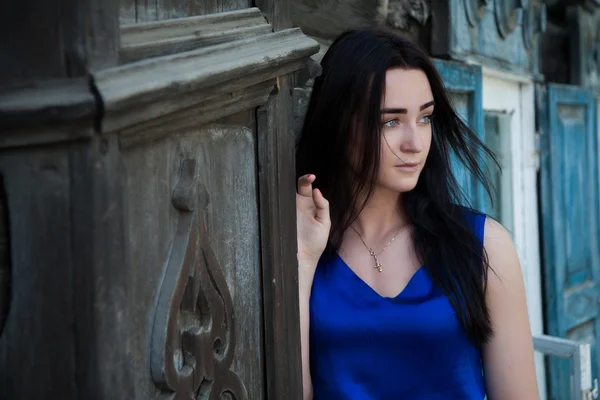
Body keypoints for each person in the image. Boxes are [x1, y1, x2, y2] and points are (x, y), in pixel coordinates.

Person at [295, 28, 539, 399]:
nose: (414, 143)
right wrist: (301, 261)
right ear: (339, 124)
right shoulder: (305, 248)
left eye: (424, 118)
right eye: (390, 121)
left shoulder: (484, 246)